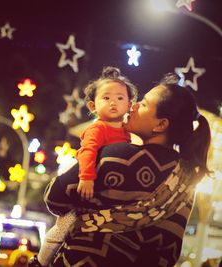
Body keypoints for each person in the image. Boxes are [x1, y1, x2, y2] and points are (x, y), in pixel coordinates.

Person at [32, 71, 211, 266]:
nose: (132, 106)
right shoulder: (186, 181)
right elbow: (171, 250)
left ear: (160, 125)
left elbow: (55, 198)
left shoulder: (118, 156)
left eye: (143, 104)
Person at [30, 67, 138, 266]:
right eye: (106, 98)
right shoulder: (98, 128)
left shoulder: (127, 133)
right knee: (63, 226)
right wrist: (86, 177)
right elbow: (88, 151)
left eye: (120, 98)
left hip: (102, 195)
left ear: (130, 105)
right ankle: (40, 261)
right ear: (92, 105)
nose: (113, 102)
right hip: (83, 183)